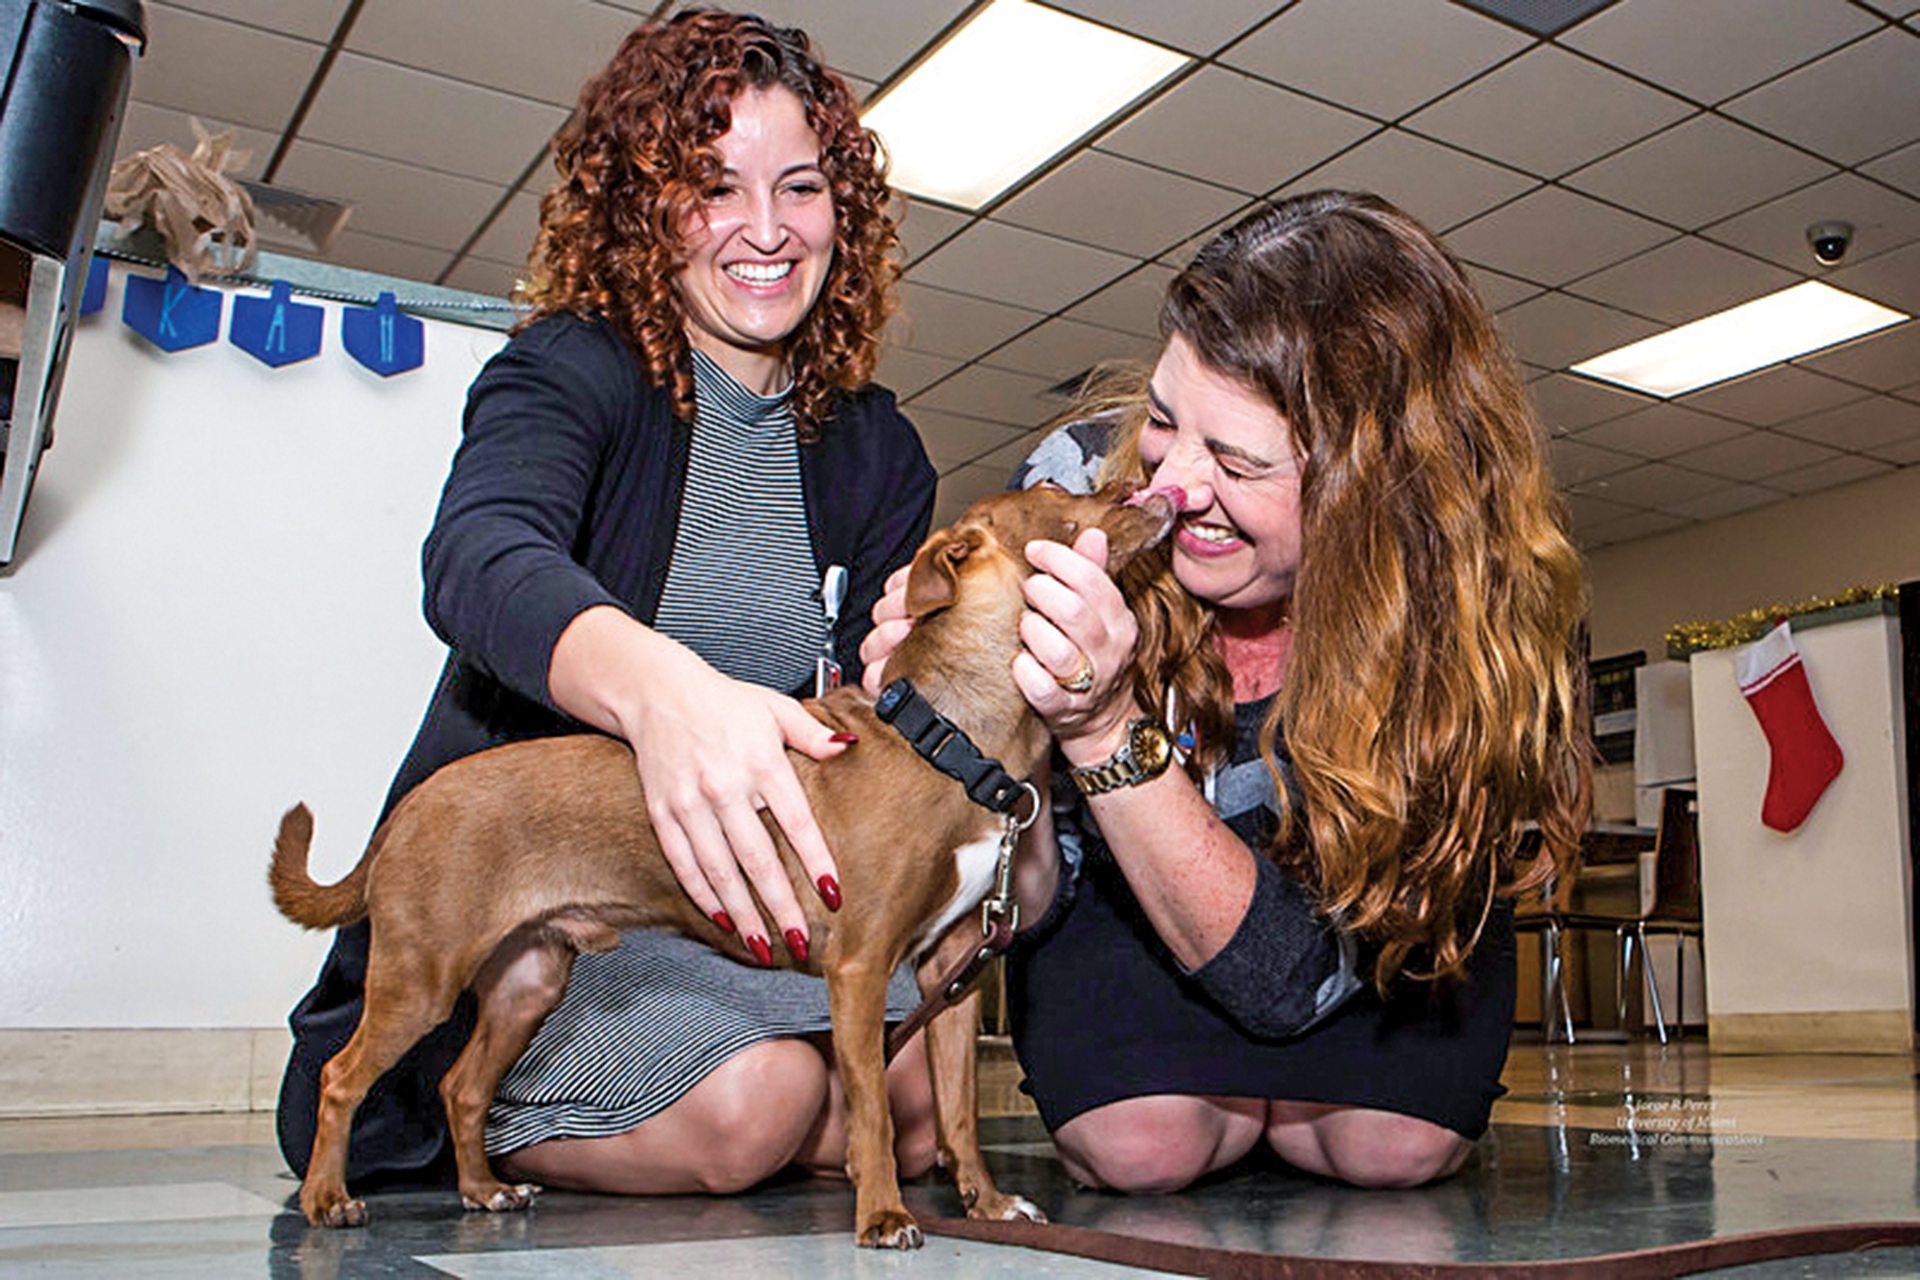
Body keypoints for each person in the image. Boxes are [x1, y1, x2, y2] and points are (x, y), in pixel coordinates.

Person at [276, 9, 939, 1198]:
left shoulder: (873, 449)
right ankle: (466, 1123)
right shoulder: (572, 368)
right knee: (767, 1109)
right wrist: (664, 694)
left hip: (730, 908)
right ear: (645, 205)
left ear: (846, 209)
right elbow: (479, 555)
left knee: (917, 1119)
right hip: (553, 908)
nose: (768, 230)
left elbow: (869, 709)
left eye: (801, 186)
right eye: (713, 188)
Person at [864, 190, 1590, 1192]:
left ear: (1366, 486)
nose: (1171, 487)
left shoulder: (1466, 597)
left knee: (1387, 1144)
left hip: (1371, 920)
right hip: (1131, 890)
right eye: (1164, 419)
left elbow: (1295, 983)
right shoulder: (1072, 492)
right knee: (1141, 1144)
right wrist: (965, 738)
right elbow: (1026, 902)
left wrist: (1105, 718)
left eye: (1239, 460)